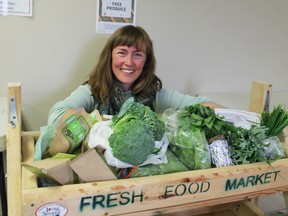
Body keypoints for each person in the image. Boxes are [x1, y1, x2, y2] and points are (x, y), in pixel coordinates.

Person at [48, 25, 221, 125]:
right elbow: (56, 115)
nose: (129, 62)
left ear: (146, 61)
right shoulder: (92, 91)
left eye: (137, 55)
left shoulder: (155, 94)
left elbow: (207, 105)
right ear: (110, 57)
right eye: (122, 53)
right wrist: (100, 121)